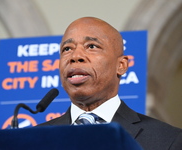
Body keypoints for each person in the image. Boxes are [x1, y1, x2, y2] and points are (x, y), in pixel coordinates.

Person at [38, 17, 182, 149]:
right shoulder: (32, 139)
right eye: (67, 49)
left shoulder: (168, 140)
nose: (75, 56)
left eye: (92, 46)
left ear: (121, 65)